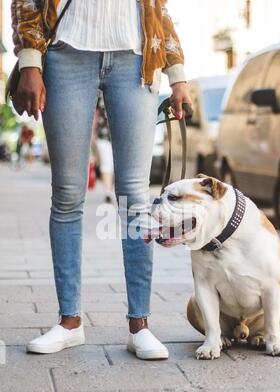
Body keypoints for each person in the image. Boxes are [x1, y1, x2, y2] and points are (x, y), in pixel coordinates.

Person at [12, 0, 192, 360]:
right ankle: (69, 322)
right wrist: (31, 61)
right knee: (67, 194)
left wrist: (178, 76)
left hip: (137, 58)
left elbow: (160, 9)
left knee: (135, 196)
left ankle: (140, 325)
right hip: (66, 54)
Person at [91, 95, 115, 204]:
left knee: (114, 165)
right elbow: (95, 114)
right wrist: (92, 134)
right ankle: (108, 192)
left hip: (121, 135)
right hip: (103, 134)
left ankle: (112, 191)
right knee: (106, 163)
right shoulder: (98, 93)